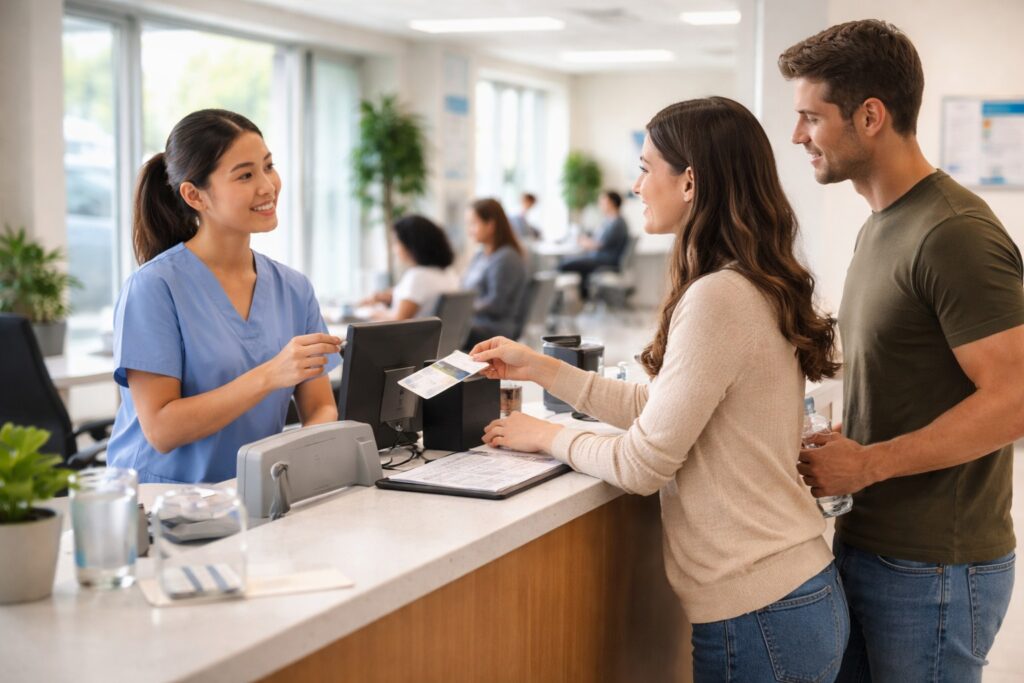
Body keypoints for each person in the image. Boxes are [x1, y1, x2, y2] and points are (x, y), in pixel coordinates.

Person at [472, 97, 848, 681]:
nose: (637, 184)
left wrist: (546, 435)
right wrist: (543, 369)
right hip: (787, 595)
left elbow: (644, 463)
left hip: (761, 613)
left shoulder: (719, 297)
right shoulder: (746, 282)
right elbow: (661, 410)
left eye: (646, 168)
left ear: (691, 180)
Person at [780, 20, 1021, 682]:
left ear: (871, 116)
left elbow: (1015, 399)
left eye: (810, 118)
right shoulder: (882, 225)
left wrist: (871, 464)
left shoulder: (954, 232)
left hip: (935, 567)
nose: (798, 136)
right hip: (873, 543)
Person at [106, 109, 341, 484]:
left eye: (268, 166)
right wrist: (269, 375)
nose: (267, 186)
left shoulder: (294, 288)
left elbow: (321, 407)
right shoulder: (155, 287)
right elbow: (162, 429)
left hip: (253, 493)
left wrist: (298, 470)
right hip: (160, 504)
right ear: (194, 195)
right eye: (245, 175)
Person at [361, 215, 459, 321]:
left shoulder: (418, 276)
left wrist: (372, 313)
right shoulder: (448, 273)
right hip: (436, 336)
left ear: (410, 244)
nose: (394, 249)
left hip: (409, 336)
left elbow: (398, 320)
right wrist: (386, 297)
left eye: (396, 242)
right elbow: (415, 297)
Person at [461, 198, 527, 347]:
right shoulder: (480, 255)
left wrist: (463, 309)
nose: (469, 230)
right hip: (476, 322)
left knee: (444, 330)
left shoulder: (506, 258)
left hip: (494, 328)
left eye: (473, 224)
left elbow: (496, 304)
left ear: (490, 225)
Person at [558, 190, 629, 300]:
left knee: (564, 264)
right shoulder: (609, 221)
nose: (600, 204)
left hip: (605, 261)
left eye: (602, 201)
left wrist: (583, 242)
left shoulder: (617, 223)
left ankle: (579, 300)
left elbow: (600, 244)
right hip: (599, 258)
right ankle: (584, 299)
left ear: (612, 203)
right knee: (576, 265)